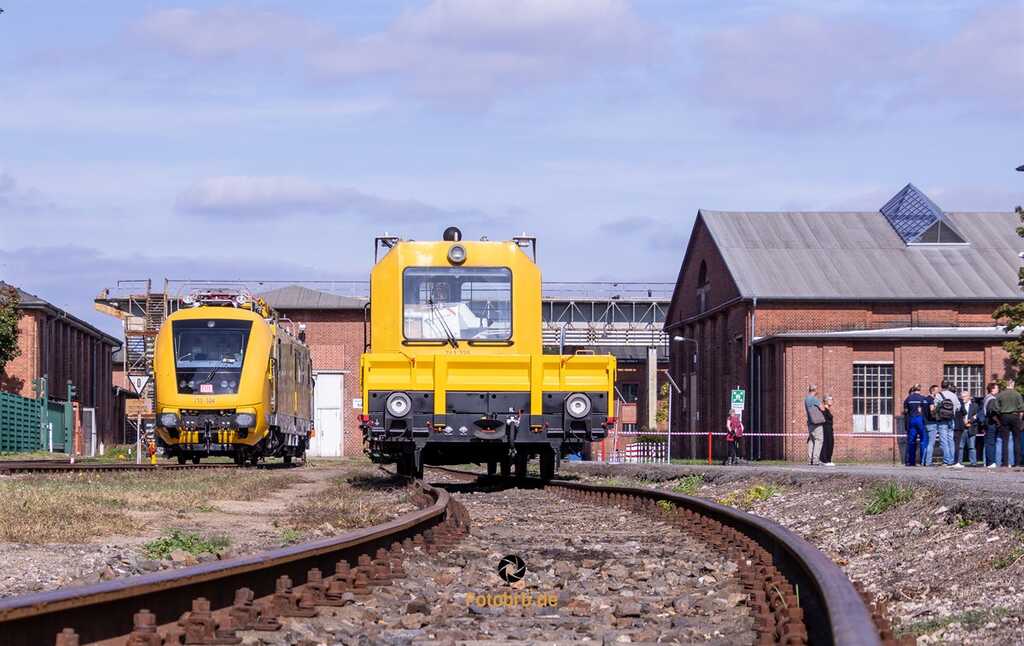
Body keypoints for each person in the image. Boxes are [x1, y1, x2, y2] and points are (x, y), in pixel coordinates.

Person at [994, 377, 1024, 469]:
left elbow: (995, 408)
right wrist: (1020, 419)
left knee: (1005, 440)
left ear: (1006, 384)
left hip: (1004, 417)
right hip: (1015, 416)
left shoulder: (1000, 395)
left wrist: (1001, 414)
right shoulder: (1017, 394)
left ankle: (1005, 463)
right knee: (1017, 440)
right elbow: (1022, 409)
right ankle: (1017, 463)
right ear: (1013, 384)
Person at [934, 381, 961, 468]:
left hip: (942, 420)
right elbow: (958, 407)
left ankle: (946, 461)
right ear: (949, 386)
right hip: (951, 419)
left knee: (943, 441)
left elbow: (935, 407)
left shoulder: (939, 395)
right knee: (951, 440)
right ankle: (952, 460)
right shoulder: (953, 395)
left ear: (941, 386)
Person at [903, 385, 930, 467]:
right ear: (920, 390)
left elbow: (905, 411)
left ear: (913, 390)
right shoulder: (923, 398)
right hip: (920, 420)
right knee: (923, 440)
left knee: (911, 441)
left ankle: (911, 462)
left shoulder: (908, 399)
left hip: (911, 420)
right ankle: (923, 461)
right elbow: (926, 410)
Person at [954, 389, 978, 468]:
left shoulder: (974, 405)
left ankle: (973, 463)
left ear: (969, 397)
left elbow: (977, 416)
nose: (962, 398)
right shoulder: (959, 405)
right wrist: (964, 422)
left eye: (964, 396)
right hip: (962, 428)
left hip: (971, 427)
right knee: (960, 446)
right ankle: (959, 462)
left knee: (972, 447)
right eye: (962, 396)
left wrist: (970, 421)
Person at [805, 385, 825, 466]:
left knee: (811, 440)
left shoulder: (806, 399)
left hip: (810, 422)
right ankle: (816, 459)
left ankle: (810, 459)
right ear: (815, 390)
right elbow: (822, 408)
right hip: (817, 423)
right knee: (819, 440)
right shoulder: (814, 399)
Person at [982, 383, 1001, 468]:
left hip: (987, 421)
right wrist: (998, 422)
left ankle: (988, 461)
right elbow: (992, 411)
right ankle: (991, 462)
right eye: (997, 388)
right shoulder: (992, 399)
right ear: (992, 389)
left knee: (988, 442)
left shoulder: (986, 397)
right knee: (991, 443)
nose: (998, 390)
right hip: (991, 422)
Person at [922, 385, 940, 466]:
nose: (938, 392)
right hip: (932, 423)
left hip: (925, 423)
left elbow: (920, 410)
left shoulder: (924, 399)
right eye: (937, 390)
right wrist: (938, 410)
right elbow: (932, 410)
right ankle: (928, 462)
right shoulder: (932, 400)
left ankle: (923, 461)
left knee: (926, 443)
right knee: (931, 444)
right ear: (933, 391)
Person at [820, 395, 836, 466]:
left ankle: (829, 460)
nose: (831, 401)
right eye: (830, 399)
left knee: (831, 443)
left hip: (830, 429)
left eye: (832, 399)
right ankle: (825, 460)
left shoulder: (828, 410)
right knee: (826, 443)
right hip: (826, 429)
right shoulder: (824, 410)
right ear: (826, 401)